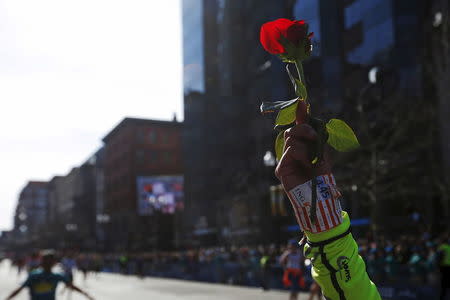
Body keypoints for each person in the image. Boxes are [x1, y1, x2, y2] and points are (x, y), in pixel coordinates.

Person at [275, 123, 381, 300]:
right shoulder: (288, 253)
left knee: (307, 290)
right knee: (297, 291)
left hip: (319, 267)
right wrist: (327, 230)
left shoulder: (294, 253)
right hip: (315, 265)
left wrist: (327, 232)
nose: (293, 248)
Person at [5, 250, 94, 300]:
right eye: (45, 261)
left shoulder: (57, 275)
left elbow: (71, 285)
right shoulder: (34, 275)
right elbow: (20, 288)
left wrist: (86, 294)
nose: (47, 263)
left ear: (54, 263)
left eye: (49, 261)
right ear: (41, 262)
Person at [438, 235, 450, 300]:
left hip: (444, 266)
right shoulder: (449, 247)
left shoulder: (442, 247)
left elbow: (439, 257)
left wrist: (438, 266)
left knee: (443, 284)